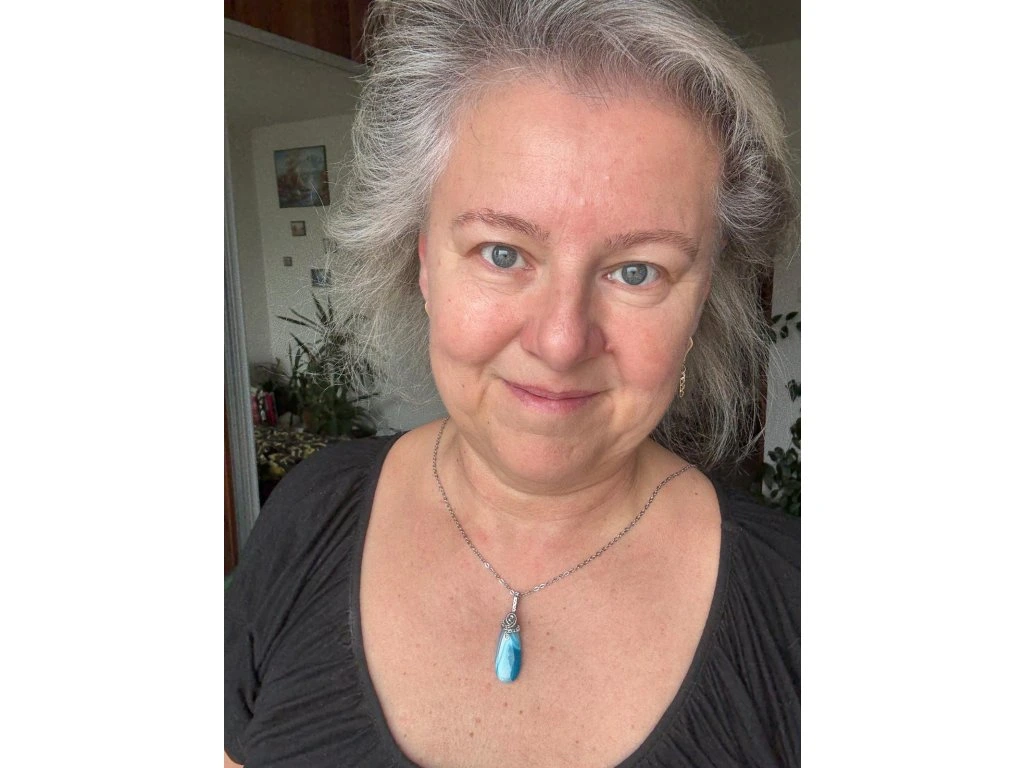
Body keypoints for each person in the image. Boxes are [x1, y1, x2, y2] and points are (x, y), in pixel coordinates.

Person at [225, 0, 799, 766]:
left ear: (698, 304)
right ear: (424, 263)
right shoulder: (309, 513)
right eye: (502, 253)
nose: (560, 342)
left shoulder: (798, 607)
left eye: (637, 271)